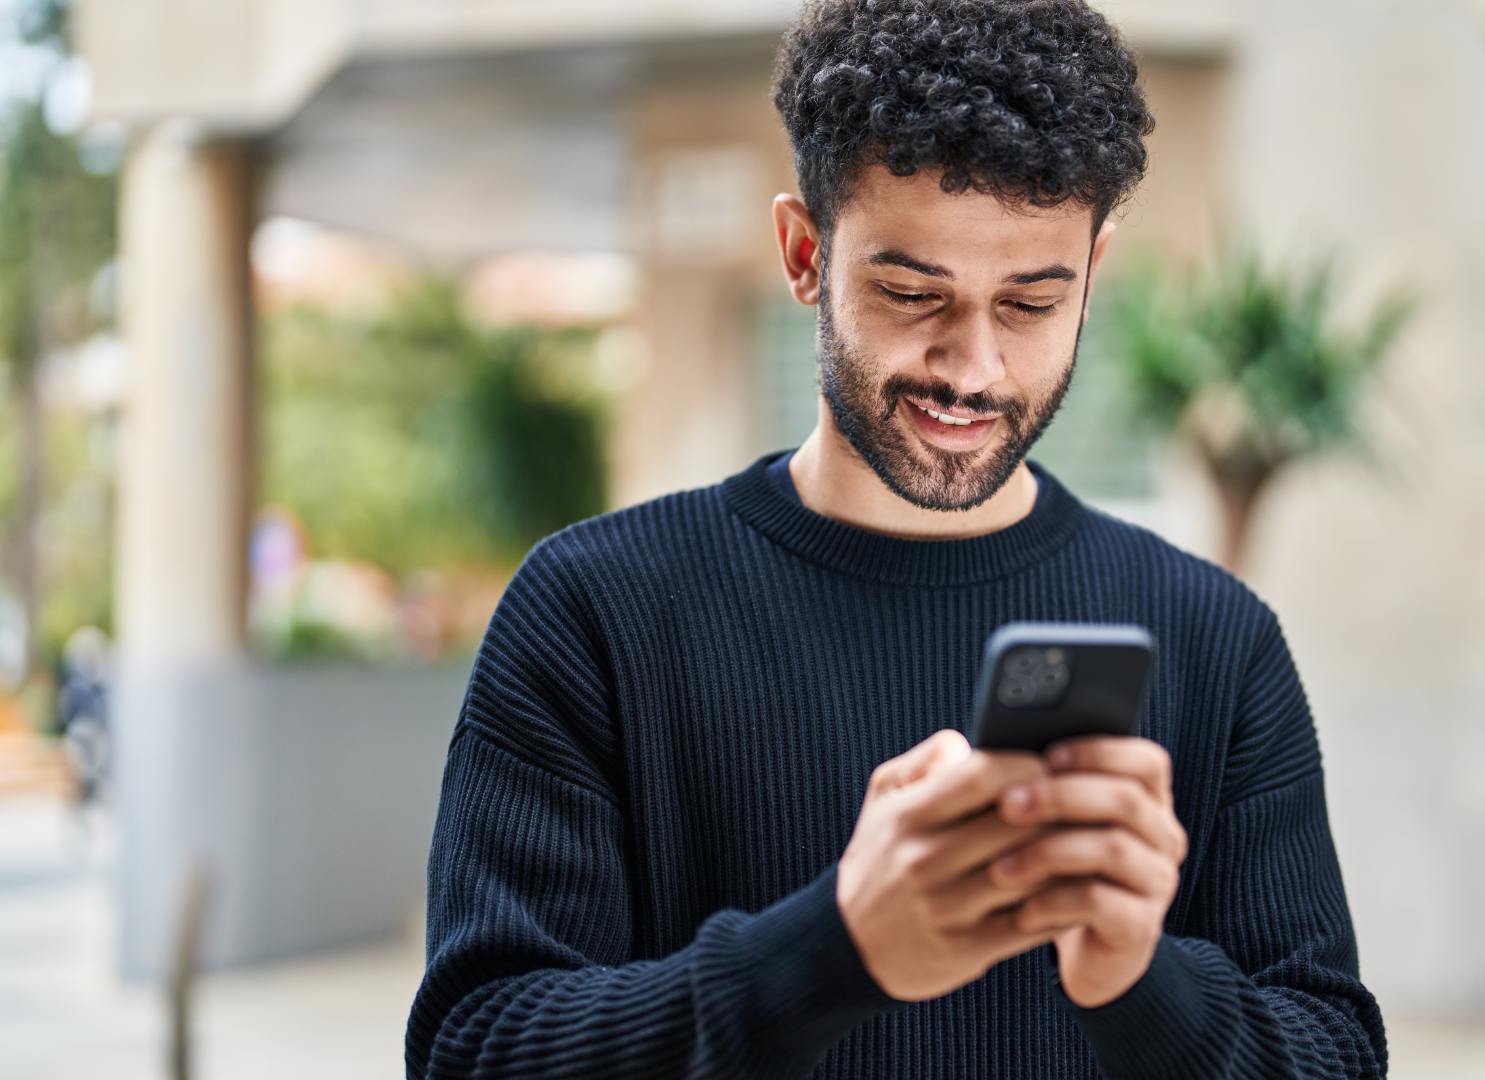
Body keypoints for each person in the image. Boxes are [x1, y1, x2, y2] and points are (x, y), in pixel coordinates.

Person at [404, 1, 1386, 1076]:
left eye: (1029, 303)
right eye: (912, 292)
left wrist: (1139, 984)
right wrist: (833, 951)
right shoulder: (593, 611)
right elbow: (473, 1050)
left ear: (1094, 277)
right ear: (801, 252)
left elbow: (1333, 1053)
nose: (972, 368)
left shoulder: (1217, 641)